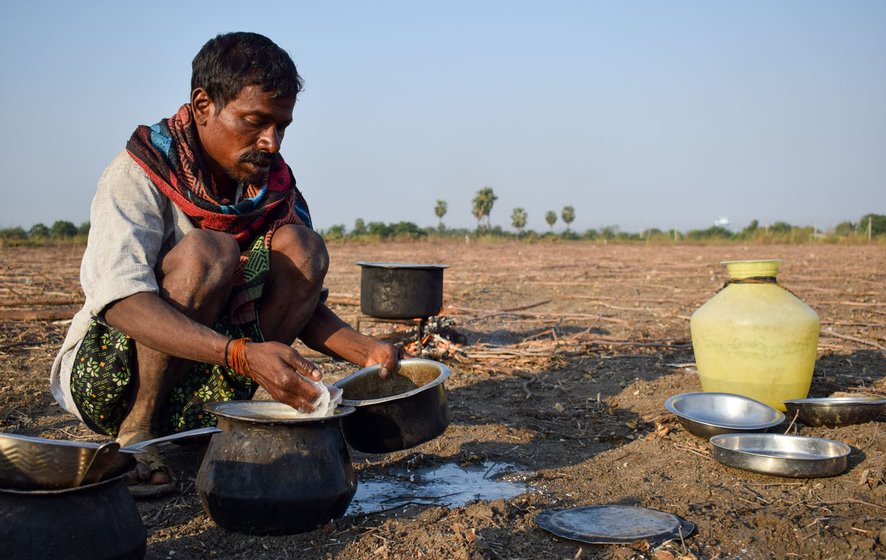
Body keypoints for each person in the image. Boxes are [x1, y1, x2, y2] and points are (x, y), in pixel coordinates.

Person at [50, 32, 402, 497]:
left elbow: (300, 302)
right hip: (110, 381)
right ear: (203, 105)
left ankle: (202, 426)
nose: (271, 142)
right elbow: (122, 302)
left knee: (303, 248)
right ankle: (138, 435)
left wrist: (369, 354)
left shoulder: (271, 187)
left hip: (205, 380)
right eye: (255, 122)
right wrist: (240, 354)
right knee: (209, 251)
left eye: (282, 126)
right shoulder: (139, 173)